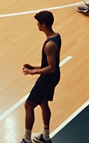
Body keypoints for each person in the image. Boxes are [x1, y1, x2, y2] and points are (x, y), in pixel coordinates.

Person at [21, 10, 61, 143]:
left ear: (43, 25)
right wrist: (35, 66)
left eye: (38, 23)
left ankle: (27, 139)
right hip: (54, 77)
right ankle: (45, 136)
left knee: (29, 105)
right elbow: (50, 63)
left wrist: (33, 72)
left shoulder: (49, 45)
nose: (37, 25)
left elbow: (51, 68)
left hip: (48, 78)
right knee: (44, 103)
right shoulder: (57, 36)